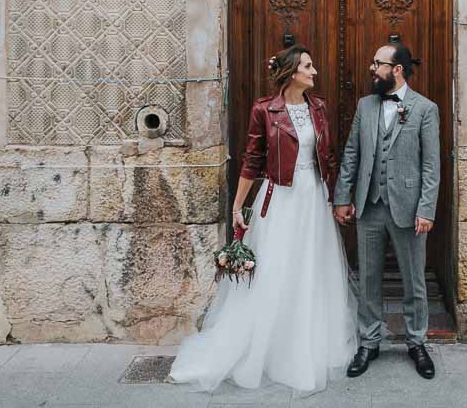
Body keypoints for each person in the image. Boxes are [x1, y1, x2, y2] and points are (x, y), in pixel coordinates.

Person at [169, 45, 356, 395]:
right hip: (280, 199)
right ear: (291, 73)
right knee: (277, 270)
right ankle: (266, 349)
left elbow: (328, 156)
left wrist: (336, 196)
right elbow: (252, 159)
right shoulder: (264, 110)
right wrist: (239, 206)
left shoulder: (319, 108)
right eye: (308, 66)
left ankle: (308, 345)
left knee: (310, 269)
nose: (314, 72)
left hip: (312, 198)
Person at [333, 41, 440, 379]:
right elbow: (352, 152)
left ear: (396, 69)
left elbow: (431, 165)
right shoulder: (365, 106)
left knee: (414, 280)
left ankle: (417, 342)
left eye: (377, 63)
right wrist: (341, 196)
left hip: (408, 209)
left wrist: (426, 209)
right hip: (369, 205)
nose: (371, 68)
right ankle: (369, 342)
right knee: (368, 279)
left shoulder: (425, 109)